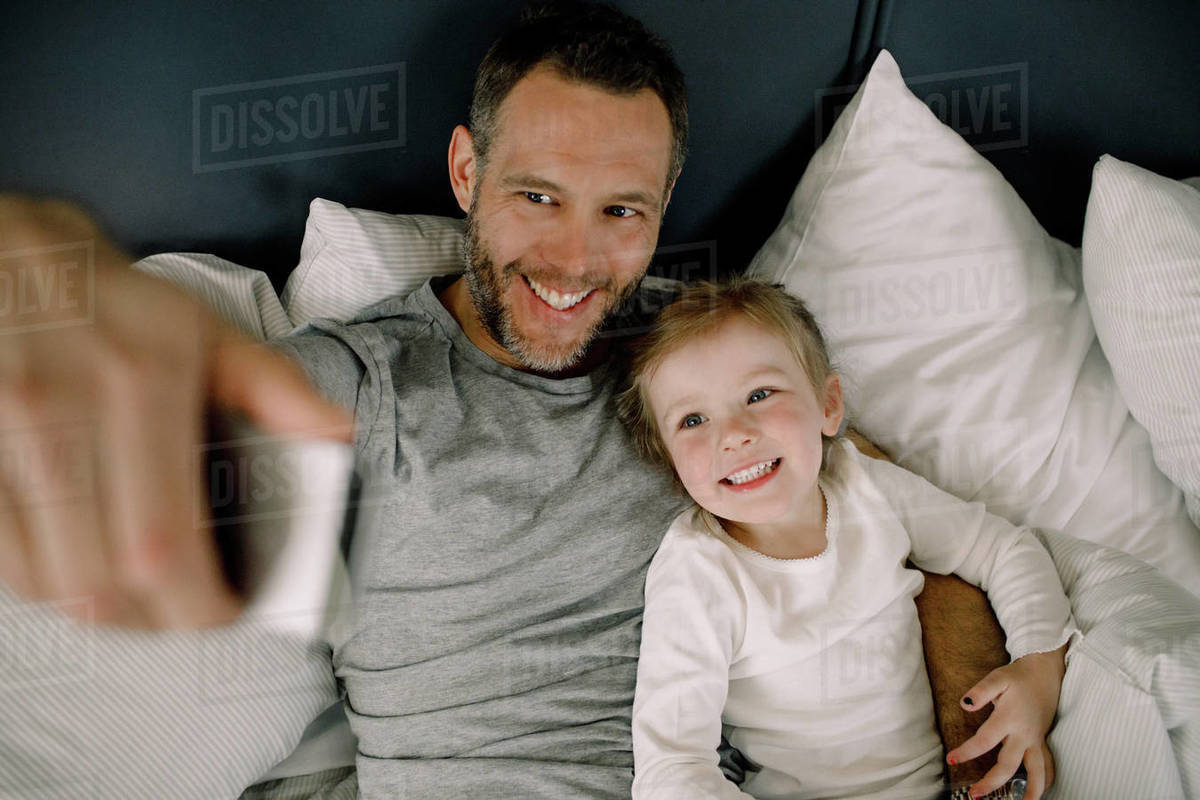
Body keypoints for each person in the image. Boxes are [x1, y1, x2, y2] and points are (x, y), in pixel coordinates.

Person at [0, 3, 1012, 797]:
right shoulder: (368, 384)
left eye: (621, 210)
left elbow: (911, 530)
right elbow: (149, 416)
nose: (574, 259)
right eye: (537, 196)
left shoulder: (705, 364)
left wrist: (978, 761)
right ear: (465, 171)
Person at [617, 278, 1073, 800]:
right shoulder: (698, 569)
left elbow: (1001, 548)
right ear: (671, 463)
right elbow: (672, 764)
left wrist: (1039, 665)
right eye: (693, 419)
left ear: (828, 406)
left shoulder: (865, 487)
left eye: (759, 394)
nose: (734, 434)